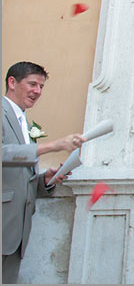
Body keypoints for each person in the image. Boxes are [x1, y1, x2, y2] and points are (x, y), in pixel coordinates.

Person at [2, 61, 86, 283]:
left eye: (41, 87)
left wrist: (44, 180)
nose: (37, 91)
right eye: (32, 84)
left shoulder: (23, 121)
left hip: (16, 232)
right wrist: (53, 146)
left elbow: (17, 177)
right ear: (12, 82)